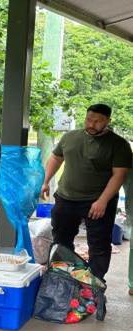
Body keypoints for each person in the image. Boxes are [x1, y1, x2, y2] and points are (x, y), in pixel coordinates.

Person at [41, 104, 131, 281]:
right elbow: (56, 158)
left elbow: (119, 175)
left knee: (98, 245)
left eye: (97, 121)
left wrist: (103, 201)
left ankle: (94, 285)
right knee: (60, 241)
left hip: (97, 203)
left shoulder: (118, 144)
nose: (91, 124)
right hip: (66, 198)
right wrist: (45, 181)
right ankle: (62, 279)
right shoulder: (70, 137)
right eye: (89, 119)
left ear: (107, 121)